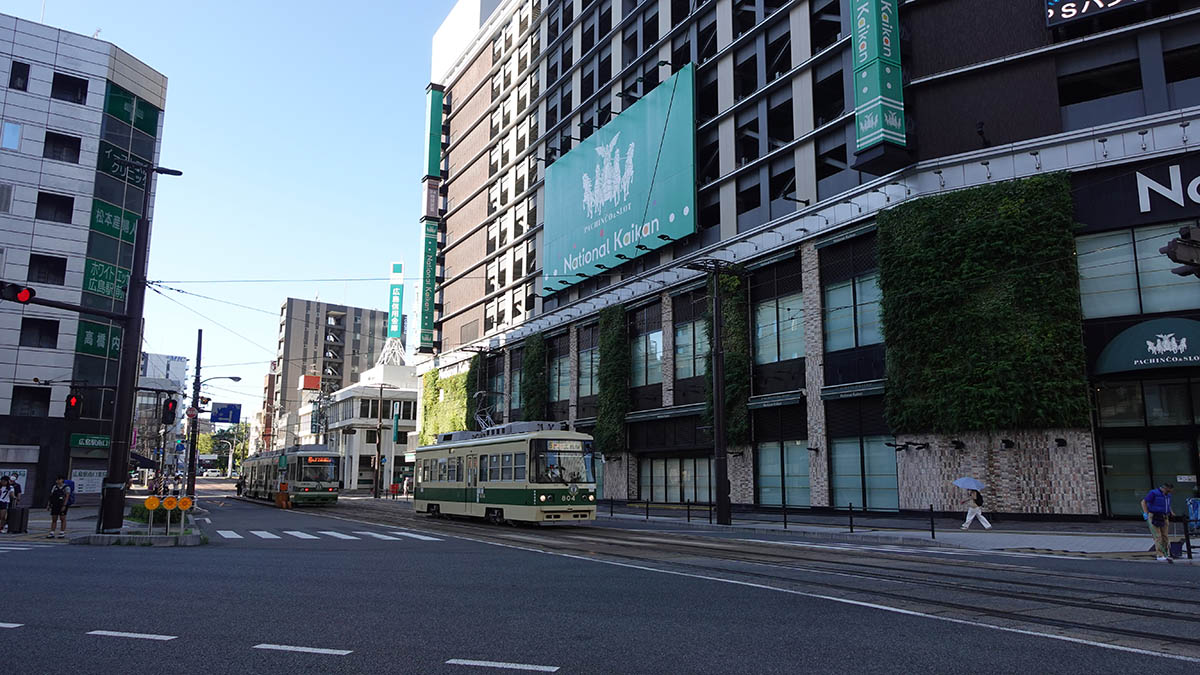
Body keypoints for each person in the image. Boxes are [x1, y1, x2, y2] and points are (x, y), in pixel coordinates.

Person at [1142, 482, 1175, 563]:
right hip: (1154, 516)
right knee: (1158, 536)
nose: (1169, 493)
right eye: (1168, 491)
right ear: (1164, 488)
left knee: (1165, 536)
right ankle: (1160, 554)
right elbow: (1143, 502)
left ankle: (1166, 553)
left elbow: (1167, 504)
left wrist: (1171, 512)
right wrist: (1145, 513)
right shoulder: (1153, 493)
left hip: (1164, 516)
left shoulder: (1168, 495)